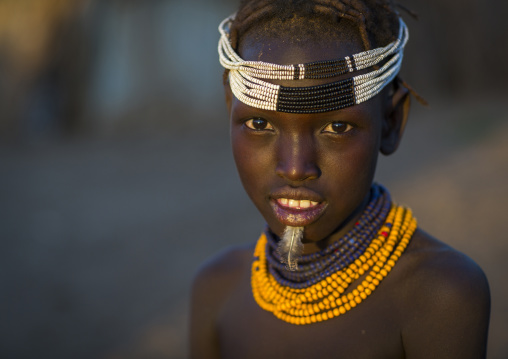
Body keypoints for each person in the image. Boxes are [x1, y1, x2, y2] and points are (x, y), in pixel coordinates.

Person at [189, 0, 491, 357]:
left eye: (337, 127)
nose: (297, 168)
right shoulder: (217, 289)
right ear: (230, 110)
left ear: (390, 124)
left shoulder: (439, 294)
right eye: (259, 123)